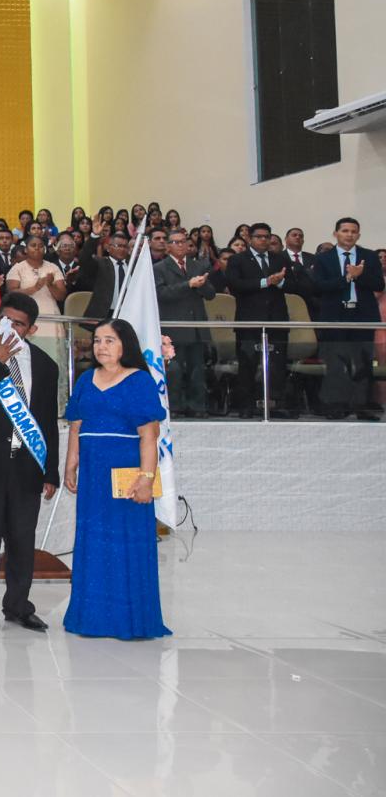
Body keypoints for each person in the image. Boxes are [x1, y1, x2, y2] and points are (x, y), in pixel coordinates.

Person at [62, 318, 171, 640]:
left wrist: (146, 479)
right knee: (93, 541)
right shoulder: (85, 379)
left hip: (125, 471)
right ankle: (91, 617)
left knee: (126, 542)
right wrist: (71, 463)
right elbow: (76, 424)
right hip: (93, 473)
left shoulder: (139, 381)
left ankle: (128, 619)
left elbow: (150, 436)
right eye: (97, 340)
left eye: (109, 340)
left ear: (126, 344)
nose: (101, 347)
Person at [0, 293, 60, 635]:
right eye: (4, 319)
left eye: (17, 322)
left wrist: (51, 471)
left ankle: (18, 606)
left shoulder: (46, 366)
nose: (9, 327)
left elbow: (48, 421)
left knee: (21, 540)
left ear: (31, 328)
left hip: (26, 465)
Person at [313, 217, 383, 421]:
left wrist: (360, 275)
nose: (349, 234)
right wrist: (346, 279)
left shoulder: (369, 257)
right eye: (345, 231)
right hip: (335, 316)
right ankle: (336, 405)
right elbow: (318, 287)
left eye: (353, 231)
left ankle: (361, 406)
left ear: (358, 235)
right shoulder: (323, 258)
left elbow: (379, 284)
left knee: (362, 362)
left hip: (362, 316)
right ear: (336, 234)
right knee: (335, 362)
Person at [225, 223, 291, 418]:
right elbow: (235, 285)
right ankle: (246, 405)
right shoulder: (238, 260)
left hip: (277, 319)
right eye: (259, 236)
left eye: (267, 236)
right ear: (250, 239)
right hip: (249, 320)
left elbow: (297, 284)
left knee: (277, 364)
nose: (264, 240)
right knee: (247, 364)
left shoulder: (280, 258)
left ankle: (275, 404)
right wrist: (265, 282)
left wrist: (281, 282)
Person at [155, 228, 215, 418]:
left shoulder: (198, 265)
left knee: (197, 369)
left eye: (184, 241)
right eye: (176, 242)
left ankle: (197, 406)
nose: (181, 245)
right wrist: (188, 285)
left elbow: (211, 294)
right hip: (173, 327)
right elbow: (161, 294)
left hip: (196, 325)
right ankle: (175, 406)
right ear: (168, 247)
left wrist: (202, 284)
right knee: (174, 370)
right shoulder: (160, 268)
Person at [5, 235, 66, 345]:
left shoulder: (53, 267)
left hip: (50, 318)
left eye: (41, 246)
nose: (37, 248)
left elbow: (61, 296)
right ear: (25, 249)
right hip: (25, 317)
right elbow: (11, 293)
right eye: (33, 245)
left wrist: (50, 285)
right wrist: (35, 288)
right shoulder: (17, 268)